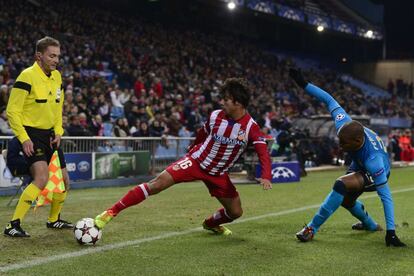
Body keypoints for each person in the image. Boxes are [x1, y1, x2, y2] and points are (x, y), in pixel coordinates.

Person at [94, 78, 272, 235]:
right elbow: (203, 132)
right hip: (196, 161)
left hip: (219, 174)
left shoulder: (250, 127)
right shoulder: (216, 115)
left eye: (226, 100)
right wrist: (194, 146)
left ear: (238, 103)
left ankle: (211, 224)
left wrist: (266, 175)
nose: (222, 102)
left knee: (235, 213)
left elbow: (263, 152)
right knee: (157, 184)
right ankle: (110, 213)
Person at [289, 68, 406, 247]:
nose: (340, 146)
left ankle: (311, 228)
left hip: (374, 171)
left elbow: (386, 197)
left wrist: (392, 233)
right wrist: (304, 84)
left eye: (344, 144)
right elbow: (328, 99)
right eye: (340, 141)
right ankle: (370, 225)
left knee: (340, 184)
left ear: (358, 141)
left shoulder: (374, 161)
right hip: (358, 163)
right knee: (346, 200)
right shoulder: (344, 123)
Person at [5, 36, 73, 238]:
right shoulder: (27, 76)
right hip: (32, 135)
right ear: (39, 55)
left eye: (58, 56)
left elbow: (58, 108)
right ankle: (12, 225)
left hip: (51, 135)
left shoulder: (58, 77)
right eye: (52, 56)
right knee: (42, 178)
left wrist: (59, 131)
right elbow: (12, 111)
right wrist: (24, 138)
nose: (56, 60)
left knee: (65, 181)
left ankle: (53, 220)